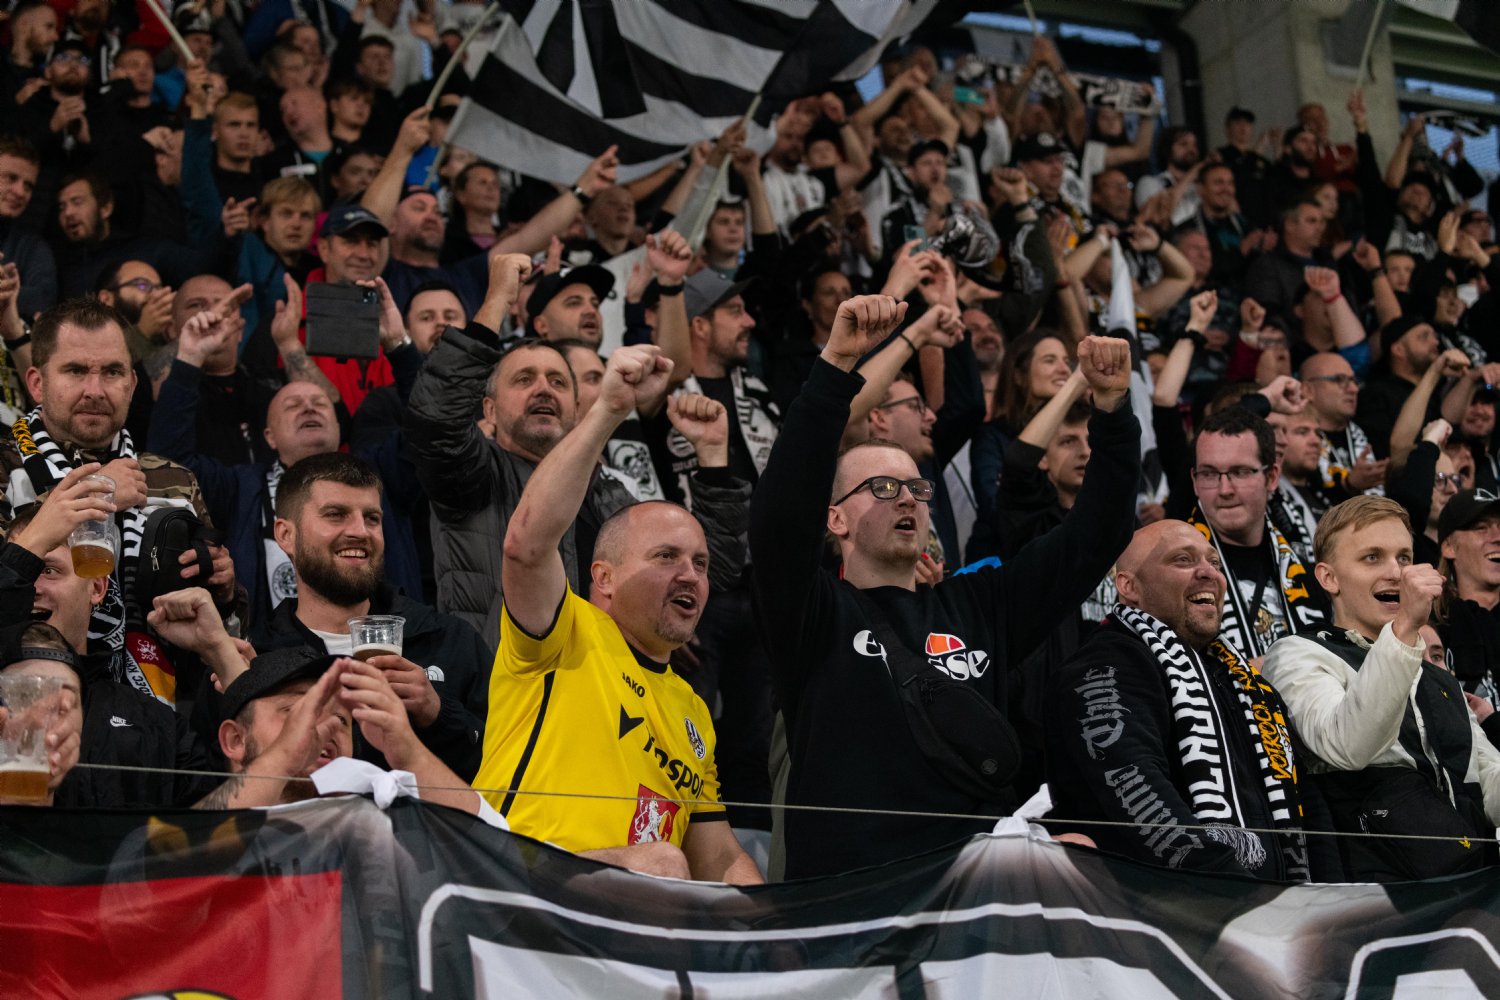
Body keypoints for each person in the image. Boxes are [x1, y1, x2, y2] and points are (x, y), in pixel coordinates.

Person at [751, 292, 1140, 880]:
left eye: (917, 489)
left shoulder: (981, 603)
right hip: (852, 897)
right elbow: (780, 517)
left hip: (969, 895)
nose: (908, 498)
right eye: (883, 488)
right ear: (836, 519)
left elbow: (1098, 533)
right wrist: (835, 367)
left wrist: (1112, 409)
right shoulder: (811, 614)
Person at [479, 341, 762, 884]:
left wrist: (769, 926)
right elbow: (526, 545)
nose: (691, 575)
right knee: (661, 861)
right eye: (666, 557)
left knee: (680, 866)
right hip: (513, 892)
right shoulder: (563, 630)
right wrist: (609, 409)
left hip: (625, 913)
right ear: (603, 578)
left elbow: (722, 859)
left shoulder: (692, 710)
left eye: (701, 564)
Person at [1045, 520, 1317, 880]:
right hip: (1168, 903)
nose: (1209, 573)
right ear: (1128, 586)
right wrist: (1239, 892)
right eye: (1183, 560)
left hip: (1277, 902)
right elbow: (1137, 791)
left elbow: (1307, 798)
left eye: (1214, 562)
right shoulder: (1105, 665)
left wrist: (1324, 896)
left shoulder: (1246, 682)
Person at [0, 298, 238, 700]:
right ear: (37, 383)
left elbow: (224, 629)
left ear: (131, 383)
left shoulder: (173, 480)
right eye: (76, 371)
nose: (95, 391)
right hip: (24, 699)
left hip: (155, 711)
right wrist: (97, 492)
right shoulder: (4, 467)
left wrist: (224, 590)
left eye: (111, 372)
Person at [1262, 496, 1500, 880]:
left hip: (1472, 887)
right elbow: (1346, 745)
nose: (1397, 573)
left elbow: (1490, 782)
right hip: (1374, 898)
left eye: (1404, 558)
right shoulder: (1298, 653)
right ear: (1328, 577)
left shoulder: (1437, 676)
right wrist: (1404, 629)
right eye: (1372, 557)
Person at [246, 452, 488, 781]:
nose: (361, 531)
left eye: (372, 518)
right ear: (286, 535)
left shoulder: (451, 641)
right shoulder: (257, 658)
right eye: (336, 515)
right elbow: (219, 784)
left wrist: (438, 714)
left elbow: (512, 771)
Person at [0, 473, 220, 808]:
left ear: (97, 587)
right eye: (23, 571)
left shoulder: (153, 722)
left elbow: (222, 821)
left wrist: (223, 657)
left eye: (48, 570)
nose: (31, 589)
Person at [194, 647, 489, 818]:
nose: (326, 726)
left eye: (340, 718)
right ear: (235, 740)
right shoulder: (214, 843)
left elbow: (496, 854)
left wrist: (411, 754)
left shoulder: (380, 826)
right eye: (298, 710)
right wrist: (284, 758)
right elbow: (186, 850)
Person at [1188, 407, 1327, 660]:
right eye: (1209, 474)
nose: (1225, 489)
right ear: (1195, 482)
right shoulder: (1175, 575)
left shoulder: (1307, 575)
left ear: (1271, 477)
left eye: (1240, 472)